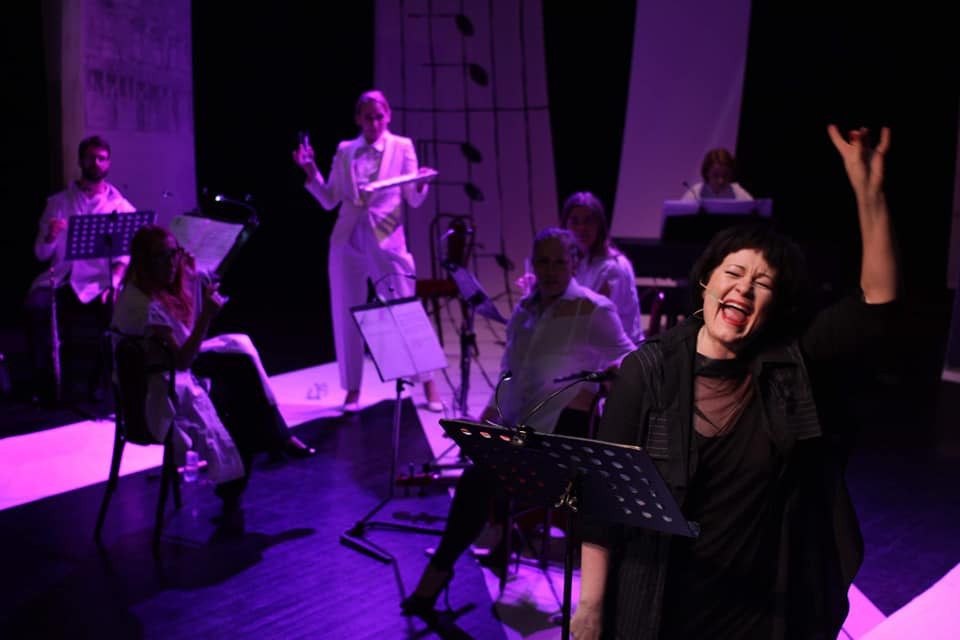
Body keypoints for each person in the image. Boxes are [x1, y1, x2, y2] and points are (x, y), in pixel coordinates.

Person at [571, 124, 899, 640]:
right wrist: (590, 609)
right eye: (734, 272)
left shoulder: (790, 365)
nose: (744, 288)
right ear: (707, 280)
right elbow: (603, 497)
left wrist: (868, 190)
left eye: (762, 282)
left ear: (773, 306)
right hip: (659, 604)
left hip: (759, 614)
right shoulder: (648, 371)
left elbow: (877, 304)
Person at [401, 228, 636, 617]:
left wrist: (605, 378)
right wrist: (485, 421)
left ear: (574, 263)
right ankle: (487, 543)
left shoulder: (592, 310)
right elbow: (509, 375)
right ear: (533, 264)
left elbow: (632, 355)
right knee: (478, 472)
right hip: (518, 436)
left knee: (476, 482)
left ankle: (438, 574)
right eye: (543, 261)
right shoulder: (525, 310)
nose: (551, 270)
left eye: (559, 261)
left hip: (558, 445)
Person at [112, 225, 315, 524]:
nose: (172, 263)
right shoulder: (145, 305)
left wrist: (192, 287)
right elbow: (182, 359)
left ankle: (272, 444)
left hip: (165, 375)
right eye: (162, 257)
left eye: (174, 254)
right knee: (242, 406)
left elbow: (182, 343)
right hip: (155, 394)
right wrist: (206, 314)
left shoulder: (149, 289)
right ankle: (273, 442)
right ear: (144, 261)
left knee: (240, 358)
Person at [291, 89, 441, 413]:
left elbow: (413, 198)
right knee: (347, 312)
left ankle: (429, 384)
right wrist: (311, 172)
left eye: (379, 116)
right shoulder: (346, 149)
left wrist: (421, 181)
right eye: (368, 117)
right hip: (347, 239)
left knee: (403, 308)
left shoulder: (402, 147)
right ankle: (352, 390)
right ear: (358, 118)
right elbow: (329, 199)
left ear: (388, 116)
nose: (374, 123)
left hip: (386, 238)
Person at [24, 135, 135, 404]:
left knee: (116, 311)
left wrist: (114, 284)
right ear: (80, 161)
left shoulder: (121, 207)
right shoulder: (58, 203)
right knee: (36, 306)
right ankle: (46, 383)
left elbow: (124, 257)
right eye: (90, 157)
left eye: (101, 158)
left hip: (99, 283)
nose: (96, 163)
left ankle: (101, 383)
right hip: (63, 280)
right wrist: (50, 237)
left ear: (108, 163)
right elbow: (40, 254)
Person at [560, 191, 644, 344]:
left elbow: (595, 322)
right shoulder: (580, 260)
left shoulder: (613, 267)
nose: (581, 228)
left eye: (588, 221)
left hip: (617, 351)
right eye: (575, 222)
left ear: (599, 225)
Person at [681, 147, 754, 200]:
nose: (721, 181)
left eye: (726, 175)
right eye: (715, 175)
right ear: (706, 173)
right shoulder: (695, 193)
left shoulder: (738, 193)